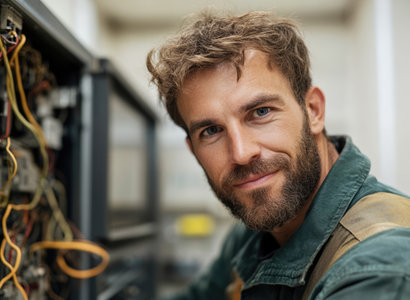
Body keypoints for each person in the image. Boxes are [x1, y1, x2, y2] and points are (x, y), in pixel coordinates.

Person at [146, 11, 410, 300]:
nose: (242, 153)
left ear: (313, 111)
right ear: (193, 150)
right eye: (211, 131)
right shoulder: (258, 231)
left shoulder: (379, 269)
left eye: (261, 112)